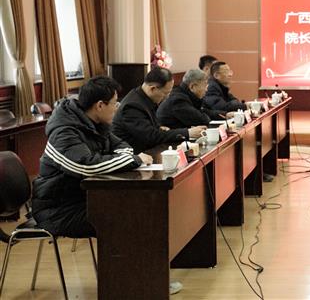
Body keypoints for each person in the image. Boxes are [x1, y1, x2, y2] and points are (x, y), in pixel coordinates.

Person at [31, 76, 146, 238]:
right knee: (124, 218)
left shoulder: (95, 124)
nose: (116, 108)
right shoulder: (64, 132)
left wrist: (127, 158)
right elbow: (86, 167)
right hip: (57, 211)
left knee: (138, 207)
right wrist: (134, 160)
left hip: (83, 199)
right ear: (100, 105)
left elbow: (123, 146)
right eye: (114, 103)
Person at [112, 67, 205, 154]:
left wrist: (159, 127)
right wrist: (188, 132)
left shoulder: (144, 98)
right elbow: (151, 136)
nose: (167, 97)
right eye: (165, 93)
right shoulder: (132, 106)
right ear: (153, 88)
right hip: (134, 154)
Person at [157, 69, 235, 128]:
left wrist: (225, 114)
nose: (206, 89)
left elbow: (203, 111)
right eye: (205, 85)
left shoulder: (187, 95)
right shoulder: (178, 100)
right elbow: (201, 120)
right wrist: (204, 115)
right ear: (192, 86)